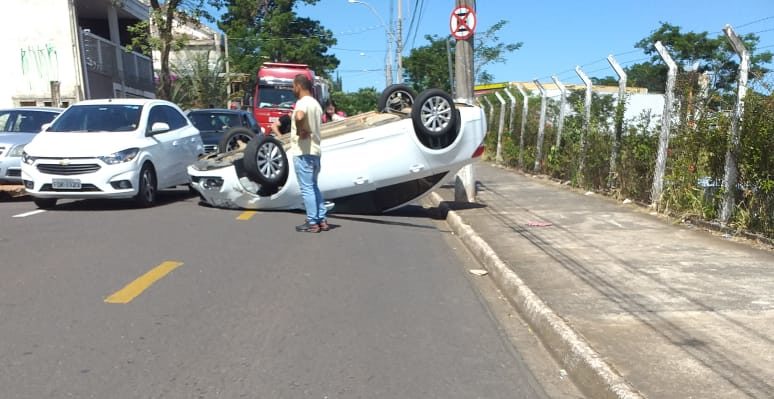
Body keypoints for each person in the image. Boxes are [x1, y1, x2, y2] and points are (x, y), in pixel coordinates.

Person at [288, 74, 328, 233]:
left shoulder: (302, 103)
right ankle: (321, 219)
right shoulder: (316, 104)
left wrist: (300, 129)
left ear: (298, 86)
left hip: (303, 151)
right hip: (316, 151)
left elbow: (299, 116)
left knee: (307, 188)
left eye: (293, 86)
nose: (293, 89)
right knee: (314, 187)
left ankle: (312, 222)